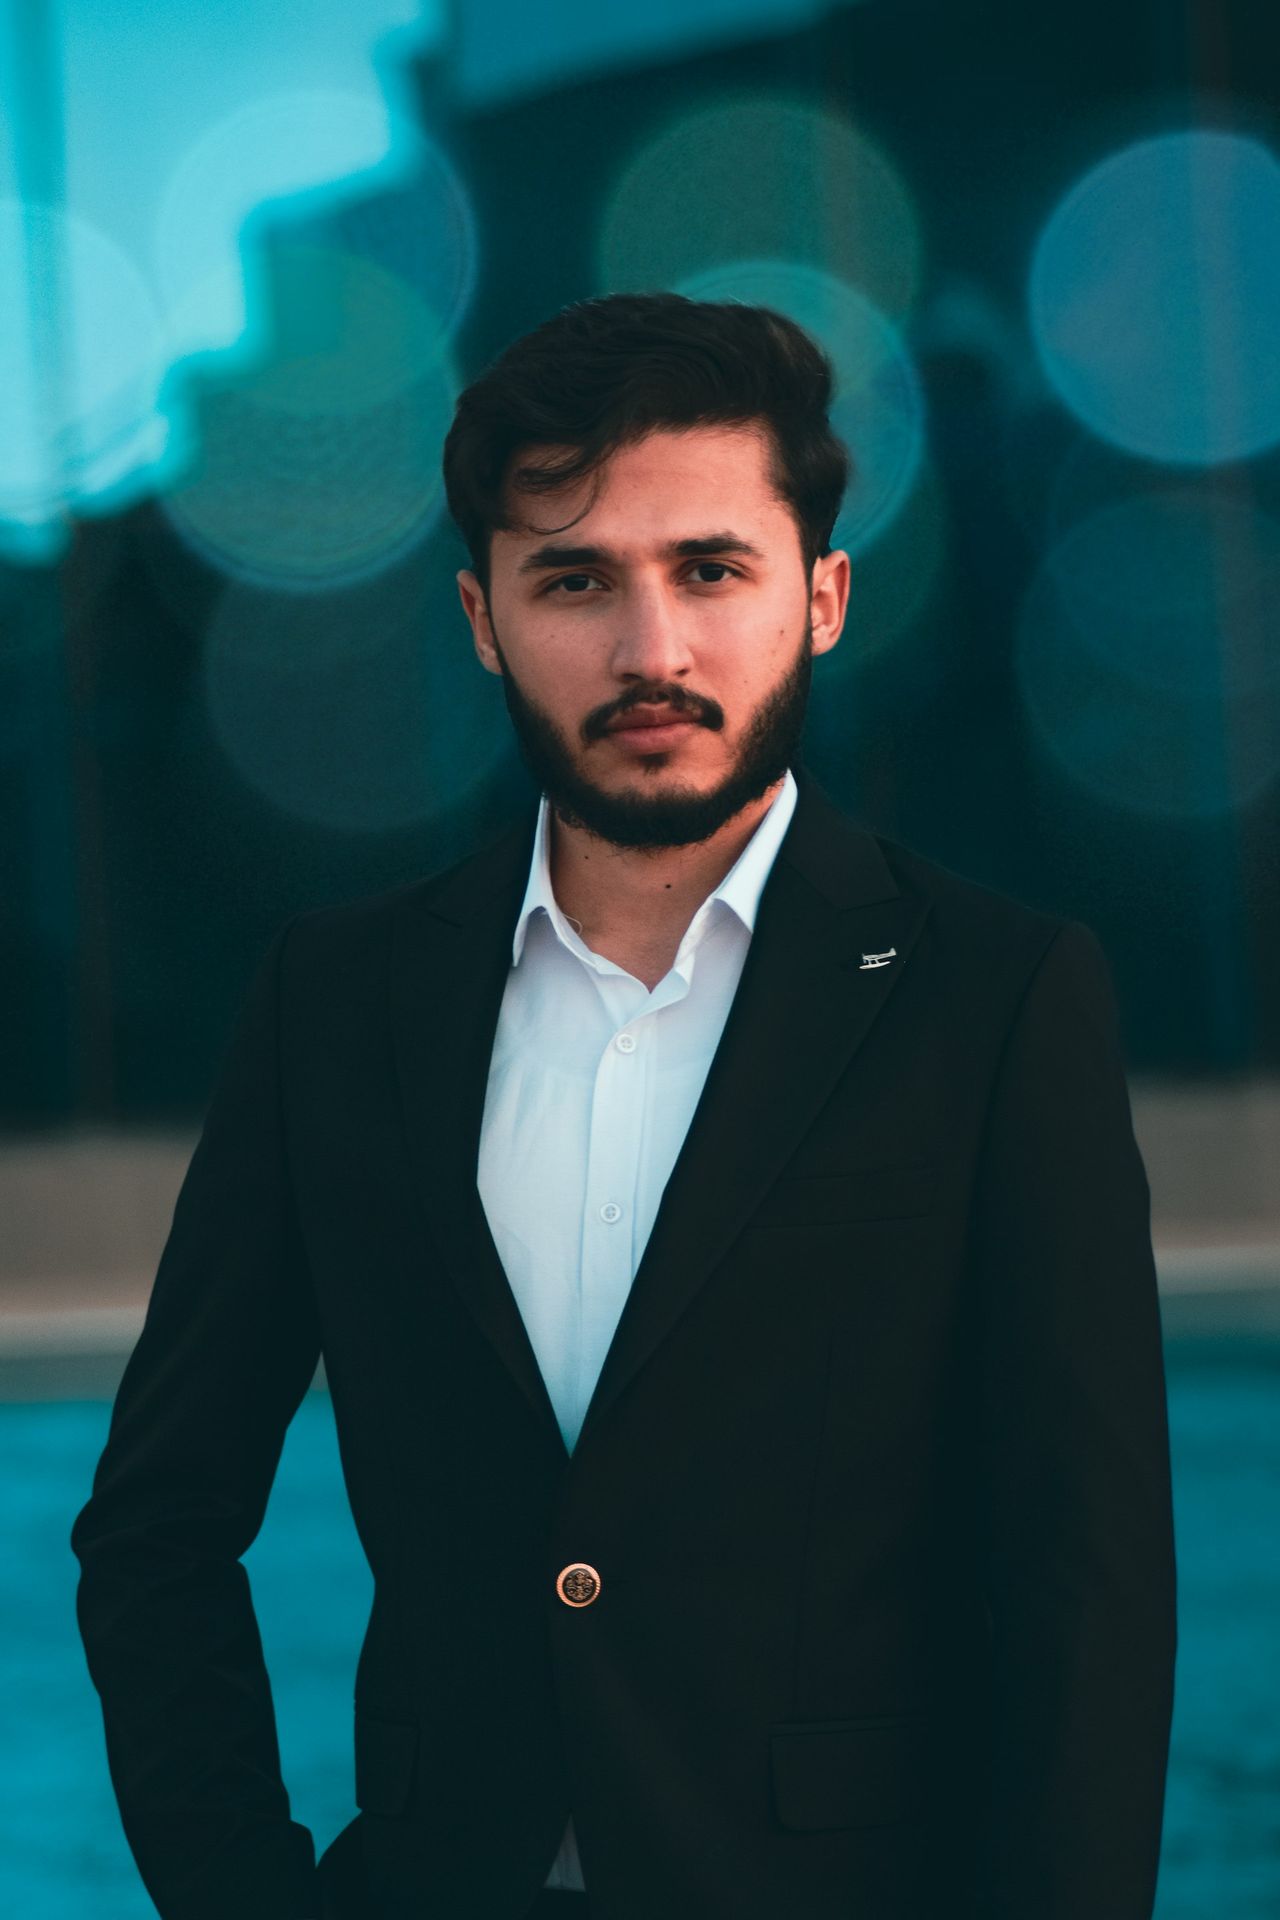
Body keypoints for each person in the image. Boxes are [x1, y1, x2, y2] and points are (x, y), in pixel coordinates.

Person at [70, 292, 1177, 1920]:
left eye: (711, 569)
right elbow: (157, 1527)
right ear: (481, 617)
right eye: (575, 579)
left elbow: (1086, 1584)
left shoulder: (997, 997)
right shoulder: (340, 1003)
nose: (650, 649)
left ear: (822, 597)